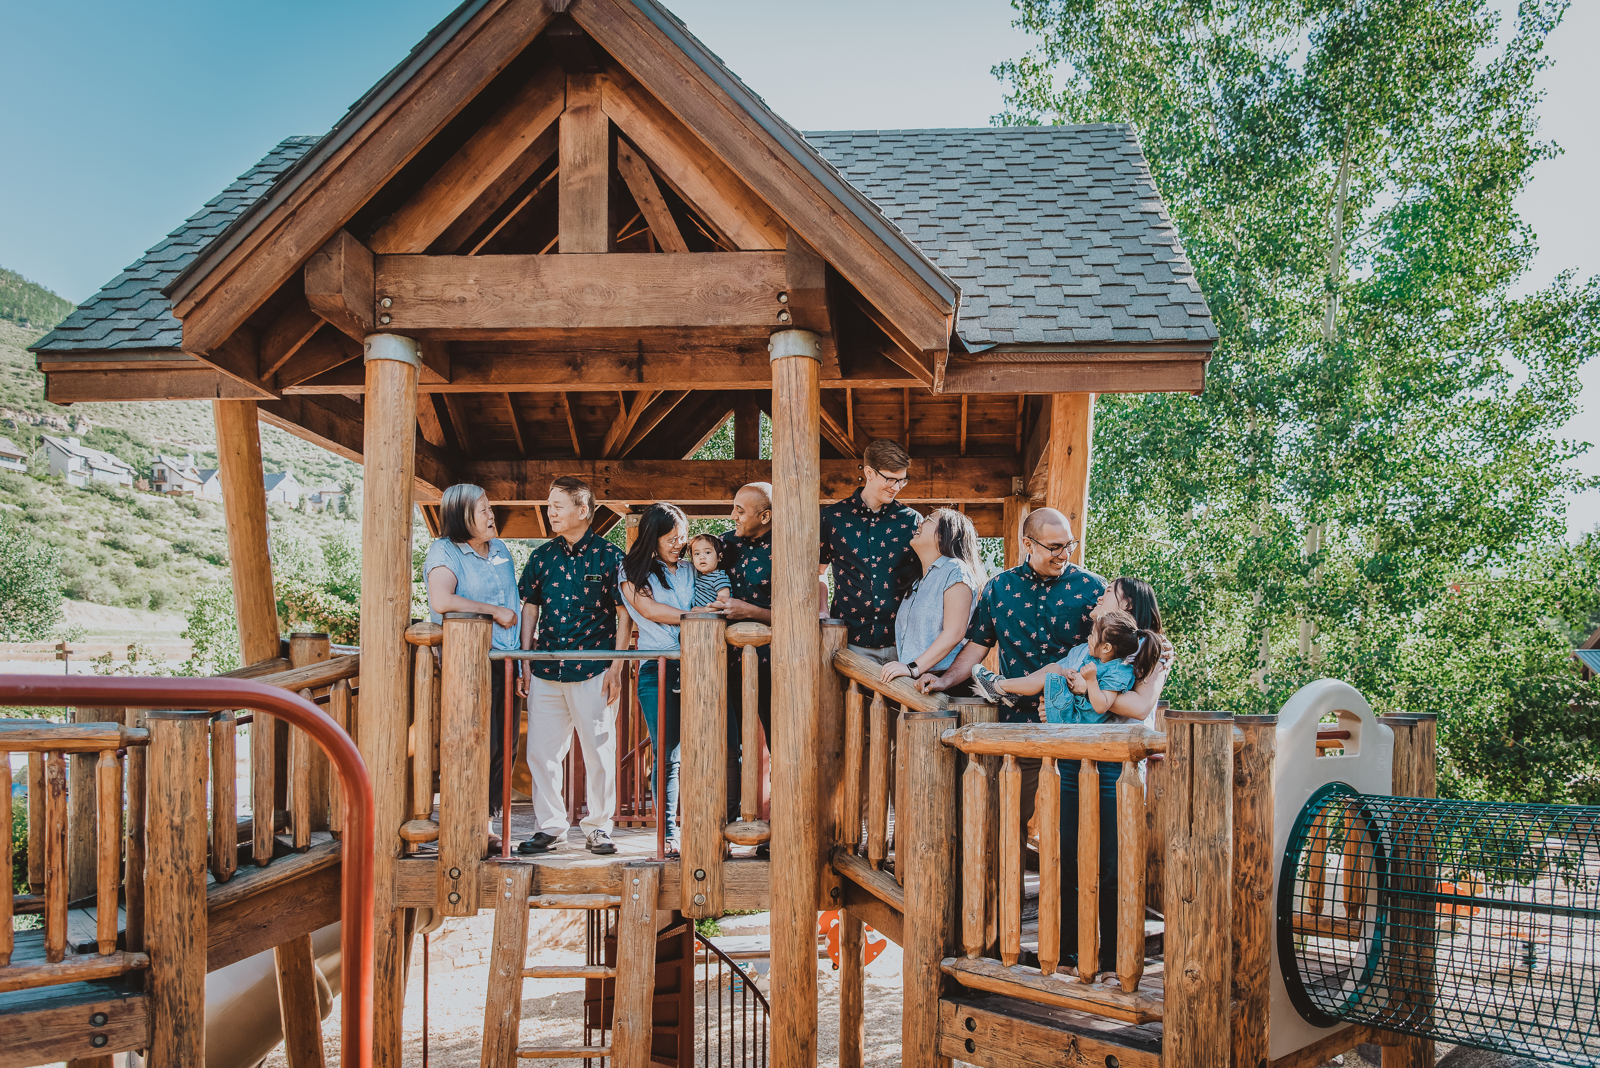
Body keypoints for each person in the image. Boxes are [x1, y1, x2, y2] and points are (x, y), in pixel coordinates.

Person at [919, 506, 1105, 969]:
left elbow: (1107, 656)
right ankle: (1004, 939)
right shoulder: (999, 588)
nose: (1064, 554)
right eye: (1054, 546)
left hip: (1074, 733)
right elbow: (977, 648)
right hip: (1015, 732)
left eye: (1068, 545)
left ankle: (1073, 944)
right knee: (1005, 836)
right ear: (1028, 543)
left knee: (1073, 836)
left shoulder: (1091, 589)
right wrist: (943, 680)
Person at [515, 476, 629, 856]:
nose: (550, 514)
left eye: (557, 507)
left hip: (594, 668)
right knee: (541, 755)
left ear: (583, 510)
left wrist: (617, 665)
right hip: (546, 668)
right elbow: (529, 605)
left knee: (599, 753)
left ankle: (599, 828)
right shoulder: (541, 557)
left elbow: (623, 612)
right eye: (550, 507)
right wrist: (525, 657)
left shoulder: (612, 557)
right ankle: (551, 828)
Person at [421, 483, 520, 854]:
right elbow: (442, 599)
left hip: (507, 661)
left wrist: (521, 664)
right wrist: (493, 612)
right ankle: (469, 823)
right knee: (479, 742)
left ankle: (488, 824)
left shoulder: (502, 550)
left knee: (505, 747)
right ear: (463, 515)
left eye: (489, 508)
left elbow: (515, 603)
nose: (491, 515)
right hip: (469, 663)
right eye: (483, 510)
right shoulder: (444, 550)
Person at [617, 503, 696, 857]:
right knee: (668, 755)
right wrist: (696, 618)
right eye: (671, 538)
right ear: (653, 537)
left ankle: (706, 826)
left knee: (714, 750)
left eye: (683, 537)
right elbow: (648, 611)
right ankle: (668, 834)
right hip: (657, 667)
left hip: (699, 666)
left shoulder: (694, 569)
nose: (680, 543)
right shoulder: (632, 571)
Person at [820, 439, 922, 664]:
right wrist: (822, 610)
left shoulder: (913, 521)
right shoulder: (831, 518)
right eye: (890, 479)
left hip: (904, 646)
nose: (896, 487)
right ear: (869, 472)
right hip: (849, 644)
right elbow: (817, 571)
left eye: (902, 481)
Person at [711, 483, 775, 830]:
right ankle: (725, 827)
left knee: (783, 746)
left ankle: (780, 831)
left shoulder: (787, 547)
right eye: (733, 507)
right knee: (725, 747)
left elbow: (801, 613)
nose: (732, 515)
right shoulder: (722, 545)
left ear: (765, 517)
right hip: (724, 664)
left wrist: (749, 611)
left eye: (740, 510)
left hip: (777, 666)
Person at [878, 508, 984, 689]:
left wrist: (912, 668)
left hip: (945, 687)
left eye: (928, 519)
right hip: (916, 683)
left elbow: (954, 632)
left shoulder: (955, 569)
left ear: (944, 535)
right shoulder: (917, 581)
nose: (920, 523)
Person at [688, 533, 732, 609]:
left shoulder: (719, 577)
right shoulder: (699, 576)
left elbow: (724, 600)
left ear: (719, 557)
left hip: (715, 618)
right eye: (697, 553)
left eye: (707, 552)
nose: (702, 557)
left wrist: (704, 610)